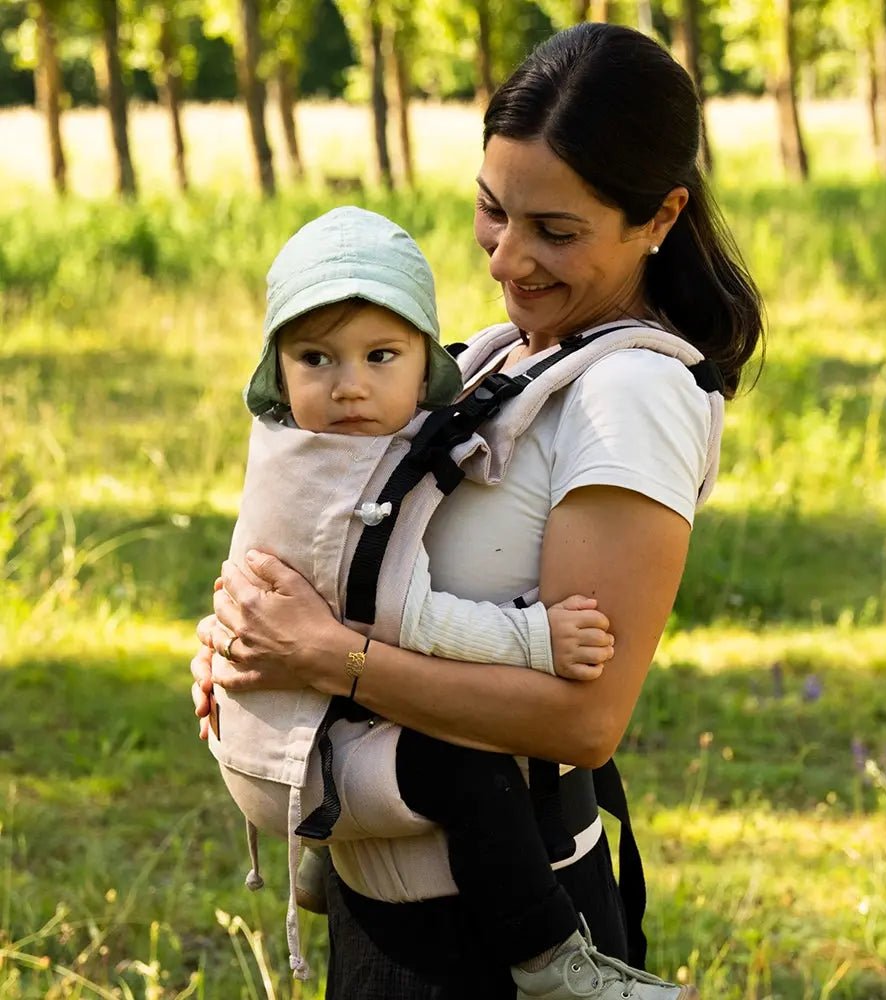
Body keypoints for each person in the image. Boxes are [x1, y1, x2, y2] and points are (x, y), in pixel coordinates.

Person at [192, 21, 763, 1000]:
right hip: (389, 908)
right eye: (493, 210)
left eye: (556, 230)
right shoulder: (501, 352)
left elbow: (586, 720)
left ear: (659, 215)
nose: (507, 259)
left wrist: (322, 657)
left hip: (496, 934)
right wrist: (245, 639)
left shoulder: (631, 395)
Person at [212, 205, 636, 988]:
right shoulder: (325, 481)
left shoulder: (330, 443)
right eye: (316, 359)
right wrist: (535, 639)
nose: (350, 387)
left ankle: (322, 863)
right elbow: (402, 618)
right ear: (278, 373)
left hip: (305, 731)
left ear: (424, 364)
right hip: (304, 758)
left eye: (380, 356)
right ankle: (549, 958)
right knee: (463, 769)